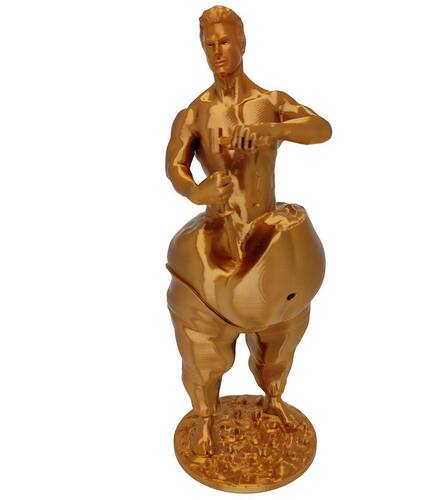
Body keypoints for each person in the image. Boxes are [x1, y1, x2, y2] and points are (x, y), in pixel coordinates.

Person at [165, 5, 332, 456]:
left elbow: (321, 128)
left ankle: (273, 398)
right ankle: (205, 420)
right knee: (202, 338)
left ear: (242, 43)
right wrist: (198, 191)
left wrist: (270, 130)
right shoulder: (195, 113)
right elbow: (175, 167)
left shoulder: (269, 101)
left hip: (266, 232)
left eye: (225, 41)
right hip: (218, 240)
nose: (218, 51)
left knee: (283, 327)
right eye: (210, 44)